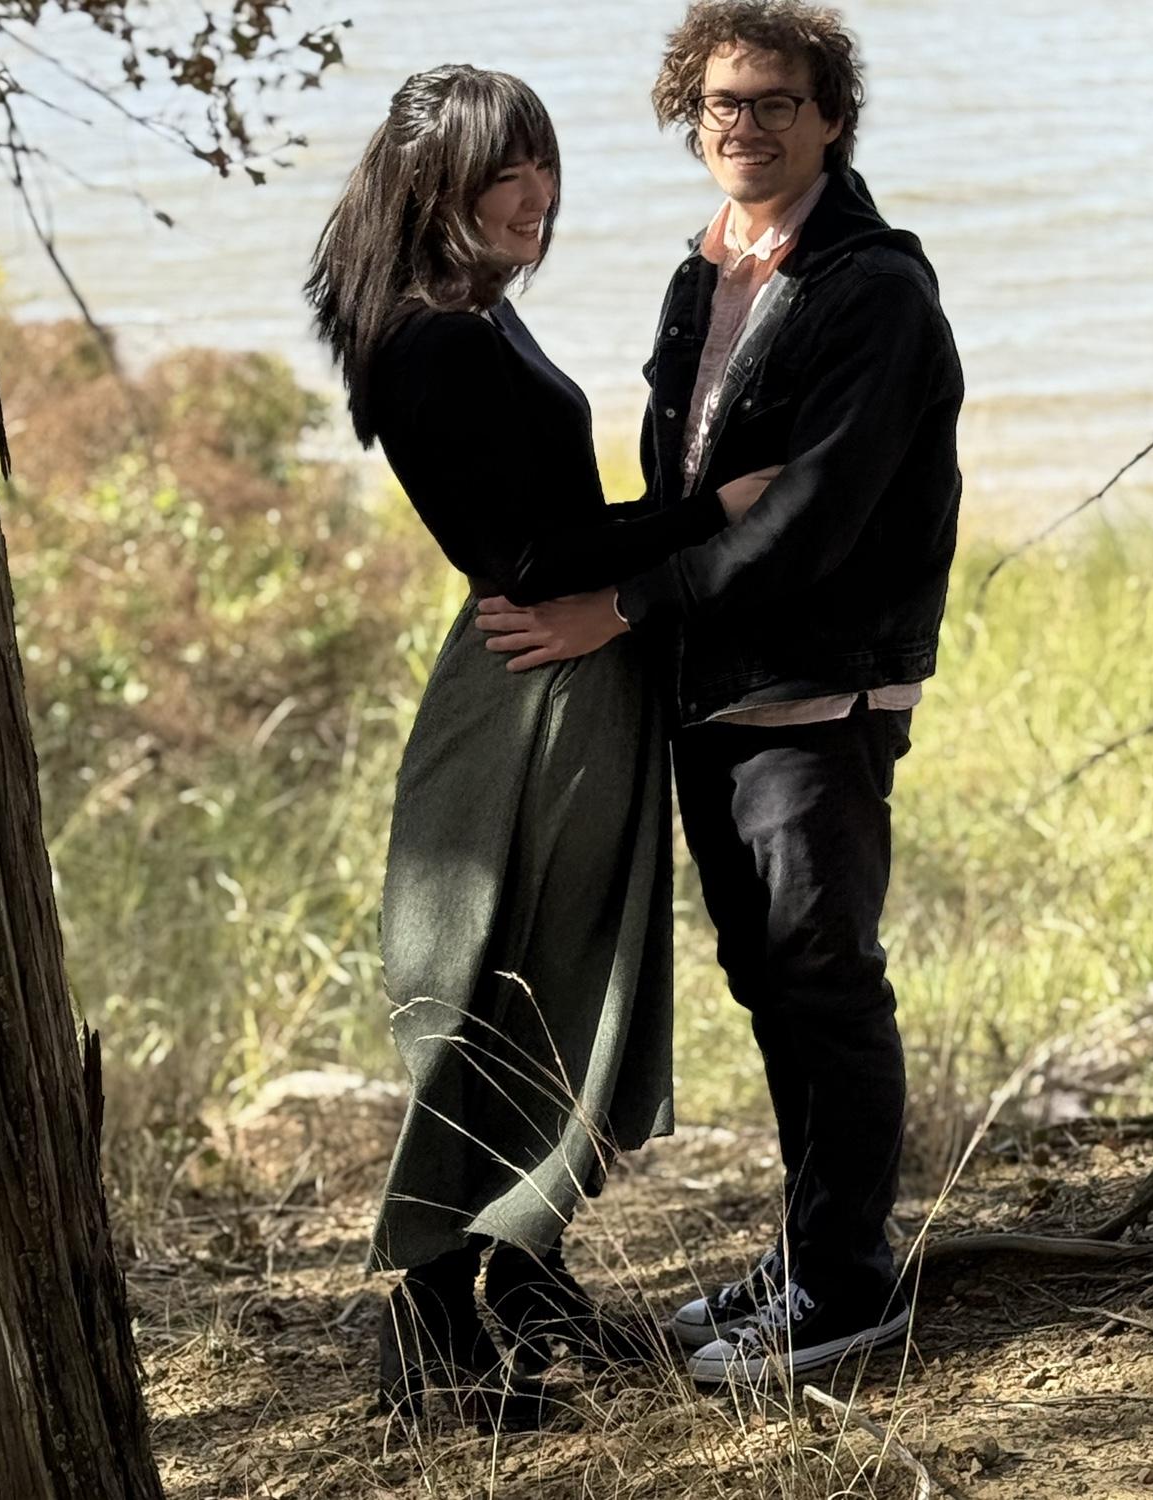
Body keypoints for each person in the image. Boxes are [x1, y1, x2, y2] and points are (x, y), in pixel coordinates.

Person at [475, 0, 964, 1387]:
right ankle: (811, 1253)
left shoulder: (873, 289)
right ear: (692, 121)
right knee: (766, 981)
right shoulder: (702, 273)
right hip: (713, 683)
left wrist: (623, 606)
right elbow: (695, 488)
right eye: (721, 104)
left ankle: (849, 1287)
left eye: (775, 102)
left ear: (830, 119)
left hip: (819, 690)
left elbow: (813, 516)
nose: (745, 125)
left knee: (824, 979)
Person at [305, 64, 773, 1428]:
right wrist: (709, 511)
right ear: (435, 187)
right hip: (537, 693)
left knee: (567, 980)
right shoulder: (432, 344)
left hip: (574, 676)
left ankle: (525, 1274)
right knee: (511, 987)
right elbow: (525, 557)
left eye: (543, 165)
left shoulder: (472, 312)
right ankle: (434, 1332)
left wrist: (658, 537)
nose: (536, 196)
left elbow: (550, 529)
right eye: (503, 174)